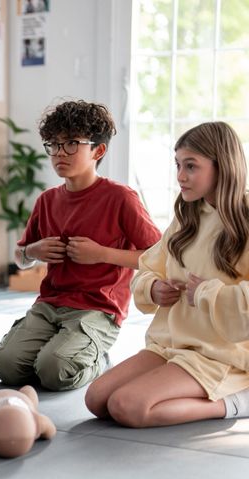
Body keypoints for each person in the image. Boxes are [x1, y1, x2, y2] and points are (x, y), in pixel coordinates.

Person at [85, 122, 249, 427]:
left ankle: (233, 402)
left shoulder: (246, 217)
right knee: (96, 399)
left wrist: (206, 293)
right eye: (177, 165)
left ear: (222, 166)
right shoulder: (187, 217)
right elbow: (147, 266)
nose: (180, 176)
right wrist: (153, 288)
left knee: (128, 406)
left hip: (219, 353)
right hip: (171, 344)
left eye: (191, 166)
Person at [0, 100, 161, 392]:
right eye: (53, 145)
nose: (59, 153)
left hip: (98, 309)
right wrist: (34, 251)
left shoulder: (121, 198)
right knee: (5, 367)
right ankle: (62, 351)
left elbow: (158, 257)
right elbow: (20, 257)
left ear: (98, 150)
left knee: (54, 371)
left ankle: (98, 360)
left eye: (71, 143)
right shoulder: (47, 200)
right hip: (50, 305)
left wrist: (102, 254)